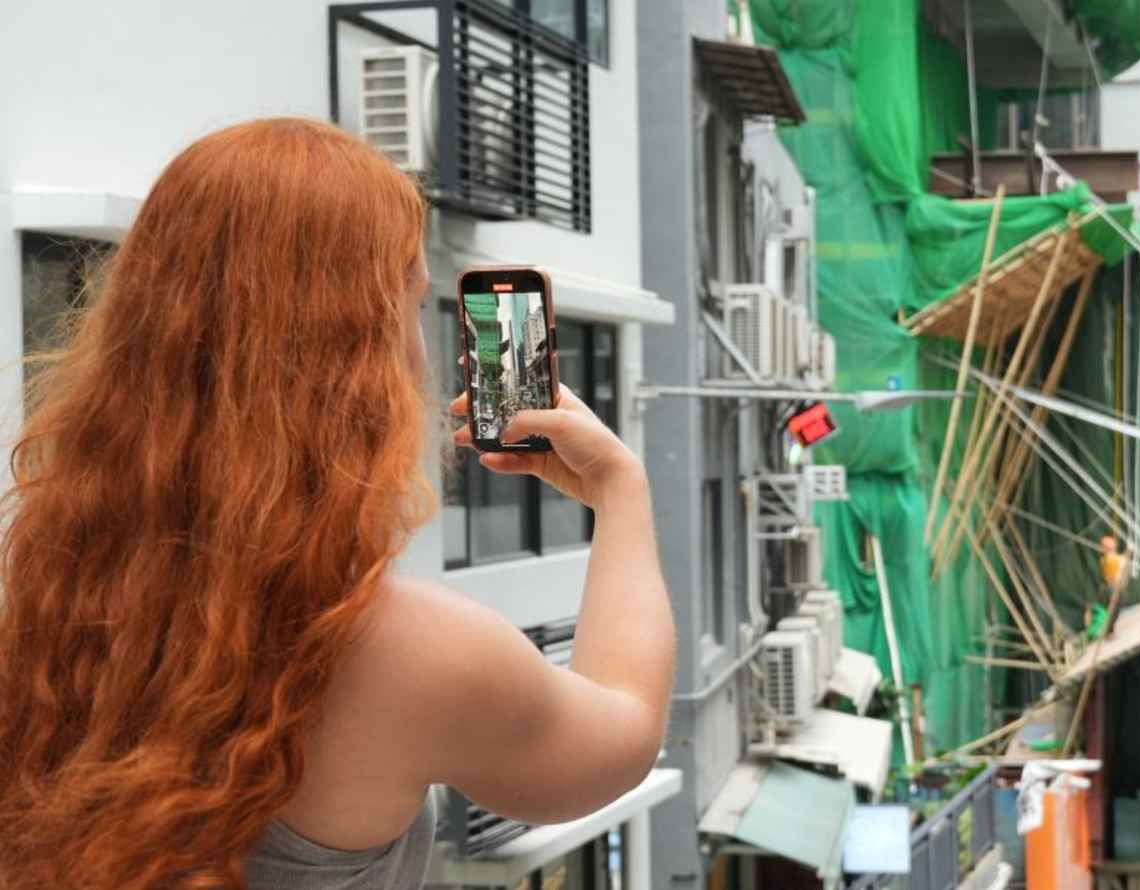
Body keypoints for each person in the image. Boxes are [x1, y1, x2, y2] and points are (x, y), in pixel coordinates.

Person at [0, 119, 678, 890]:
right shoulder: (408, 650)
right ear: (358, 356)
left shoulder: (61, 593)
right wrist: (621, 492)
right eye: (413, 304)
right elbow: (621, 737)